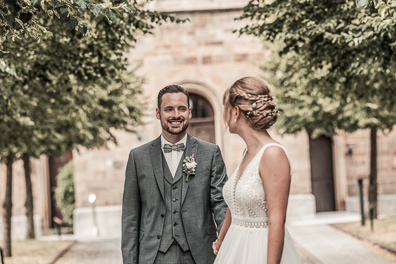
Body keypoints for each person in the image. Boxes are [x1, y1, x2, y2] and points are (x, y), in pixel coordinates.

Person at [121, 84, 228, 264]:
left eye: (182, 109)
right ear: (158, 113)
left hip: (200, 254)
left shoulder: (210, 153)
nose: (176, 115)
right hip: (153, 256)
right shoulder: (137, 157)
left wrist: (226, 242)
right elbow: (130, 218)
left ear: (190, 112)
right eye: (169, 109)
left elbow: (220, 204)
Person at [212, 76, 302, 264]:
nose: (223, 115)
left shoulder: (273, 155)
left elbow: (276, 221)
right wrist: (221, 240)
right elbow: (234, 204)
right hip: (233, 248)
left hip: (259, 251)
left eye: (225, 109)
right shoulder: (247, 153)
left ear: (235, 112)